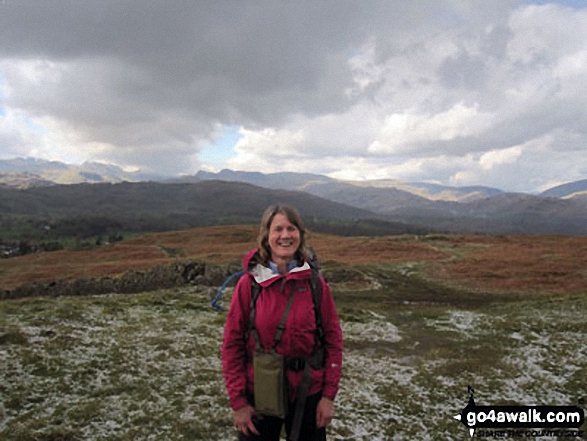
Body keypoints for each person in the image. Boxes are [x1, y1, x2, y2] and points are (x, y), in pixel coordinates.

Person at [221, 204, 343, 441]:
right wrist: (238, 403)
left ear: (300, 234)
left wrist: (328, 397)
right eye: (278, 229)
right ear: (266, 237)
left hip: (309, 392)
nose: (285, 235)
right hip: (260, 393)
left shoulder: (315, 284)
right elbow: (232, 345)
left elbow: (333, 340)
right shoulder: (250, 285)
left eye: (291, 228)